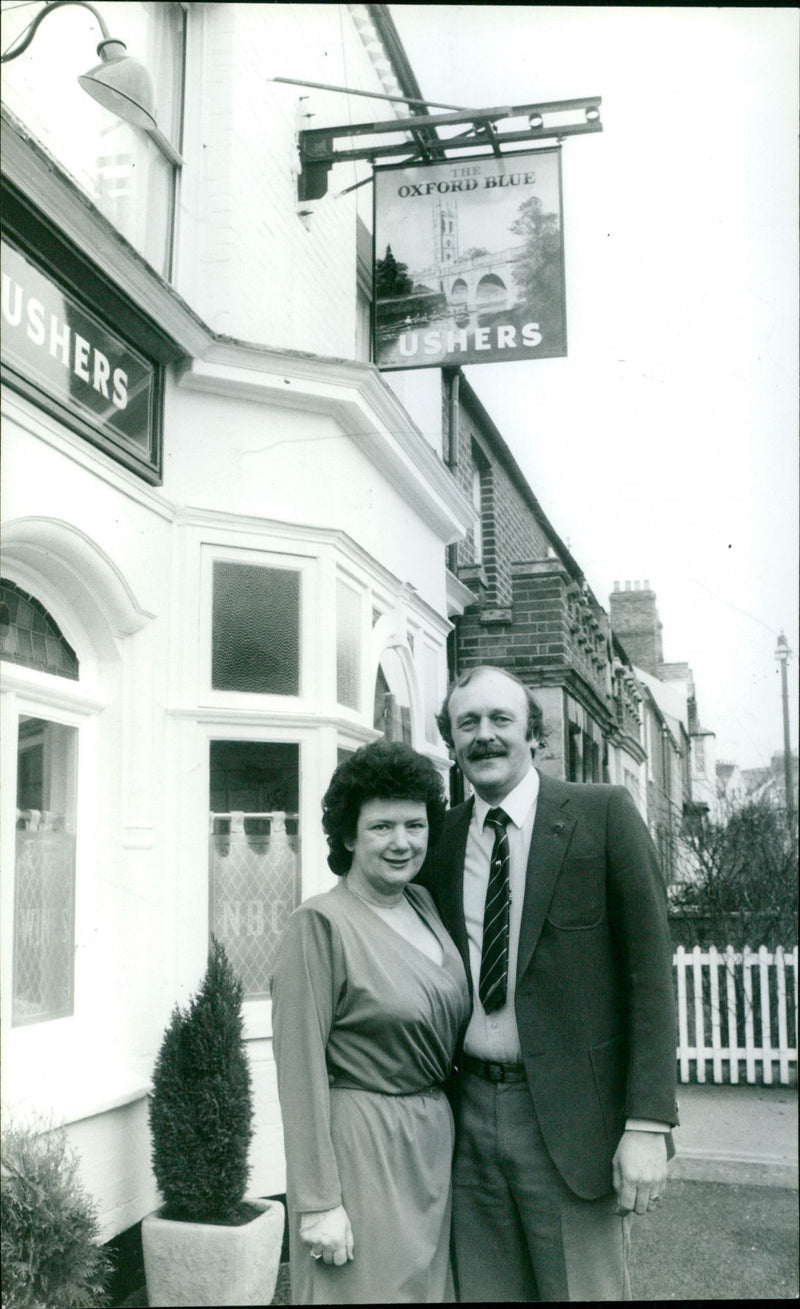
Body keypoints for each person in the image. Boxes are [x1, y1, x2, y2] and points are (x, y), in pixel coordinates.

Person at [419, 664, 678, 1303]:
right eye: (467, 723)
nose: (484, 736)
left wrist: (647, 1123)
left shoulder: (604, 816)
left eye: (500, 719)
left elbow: (651, 978)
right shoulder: (440, 841)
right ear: (452, 743)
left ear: (534, 735)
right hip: (468, 1119)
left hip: (571, 1120)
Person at [271, 739, 470, 1305]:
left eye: (415, 824)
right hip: (361, 1150)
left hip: (429, 1146)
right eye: (382, 826)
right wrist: (317, 1202)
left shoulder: (425, 906)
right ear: (350, 836)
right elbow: (298, 1069)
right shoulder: (319, 924)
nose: (402, 842)